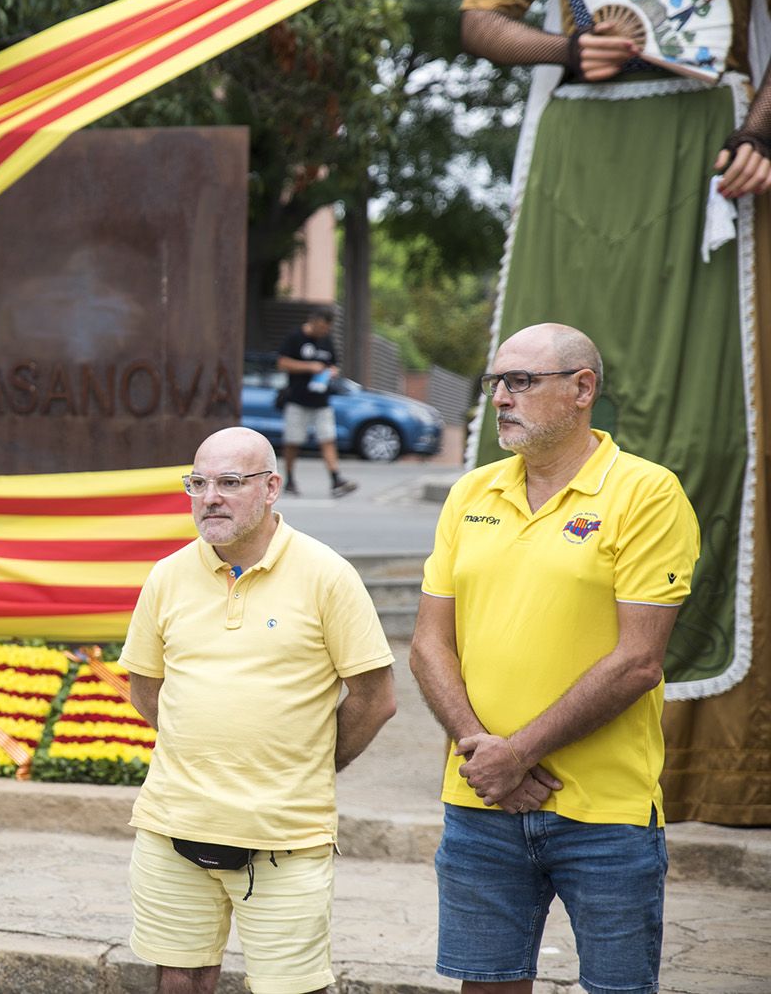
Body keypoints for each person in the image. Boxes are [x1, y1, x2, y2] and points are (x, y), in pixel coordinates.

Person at [461, 0, 771, 824]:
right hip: (582, 148)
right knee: (529, 407)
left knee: (713, 437)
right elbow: (481, 18)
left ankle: (708, 760)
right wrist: (569, 47)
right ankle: (509, 727)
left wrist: (758, 130)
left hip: (706, 141)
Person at [409, 324, 700, 994]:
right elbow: (429, 642)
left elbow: (637, 663)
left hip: (605, 814)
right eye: (495, 384)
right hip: (479, 802)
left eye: (521, 381)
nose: (502, 398)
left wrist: (518, 754)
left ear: (581, 389)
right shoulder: (471, 492)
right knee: (486, 985)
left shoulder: (646, 494)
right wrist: (485, 753)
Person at [121, 426, 396, 994]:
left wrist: (309, 761)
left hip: (286, 835)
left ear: (272, 488)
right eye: (198, 483)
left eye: (229, 482)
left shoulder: (328, 575)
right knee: (180, 980)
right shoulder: (167, 576)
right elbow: (147, 690)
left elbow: (375, 699)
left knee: (291, 987)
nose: (210, 497)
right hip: (174, 827)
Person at [275, 307, 356, 498]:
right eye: (321, 327)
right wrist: (309, 367)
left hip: (321, 400)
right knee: (293, 441)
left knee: (328, 438)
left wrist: (332, 371)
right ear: (313, 322)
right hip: (297, 398)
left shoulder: (326, 341)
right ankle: (290, 479)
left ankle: (336, 479)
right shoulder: (295, 337)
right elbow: (282, 362)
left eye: (327, 328)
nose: (323, 332)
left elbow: (333, 364)